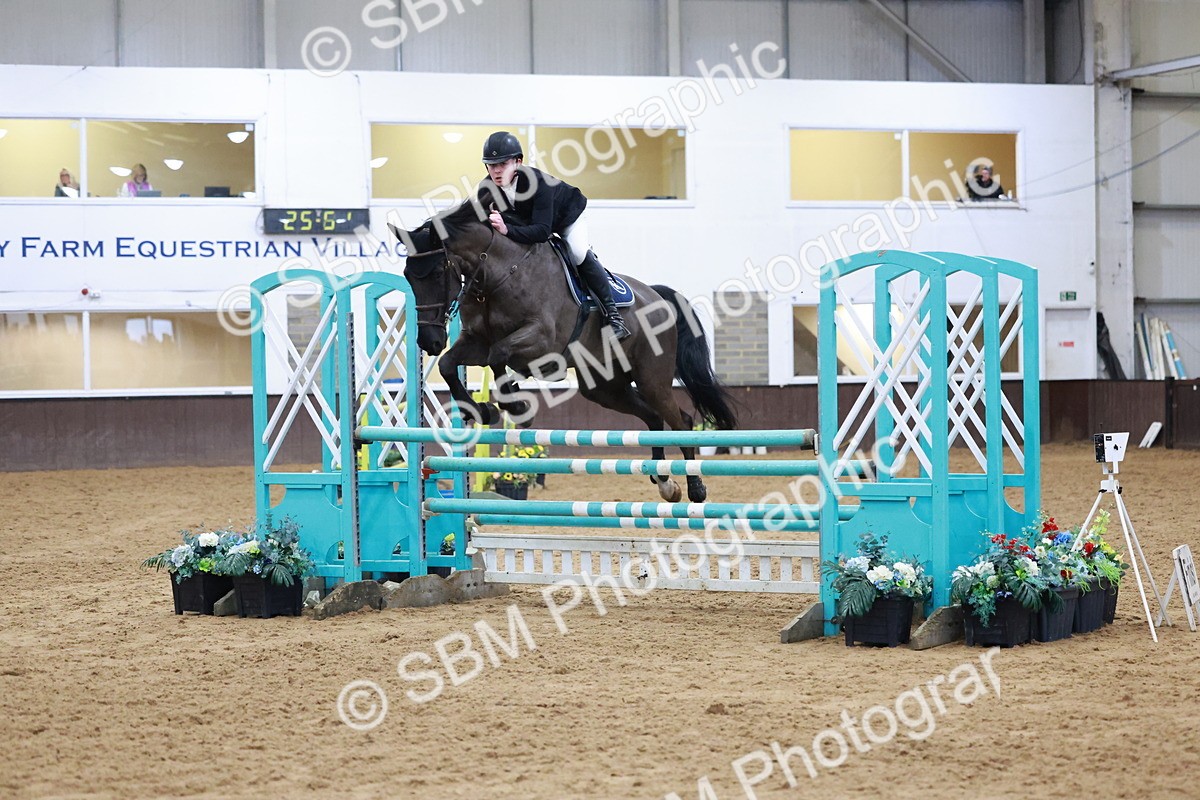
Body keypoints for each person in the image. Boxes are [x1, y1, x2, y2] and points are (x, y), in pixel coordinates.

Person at [478, 131, 631, 340]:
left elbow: (542, 231)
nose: (496, 170)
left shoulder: (538, 183)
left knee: (577, 252)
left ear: (518, 162)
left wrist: (507, 229)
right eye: (491, 165)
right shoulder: (486, 189)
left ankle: (614, 316)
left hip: (567, 217)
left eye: (502, 164)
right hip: (533, 222)